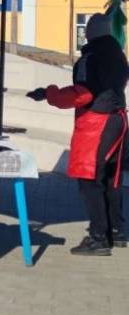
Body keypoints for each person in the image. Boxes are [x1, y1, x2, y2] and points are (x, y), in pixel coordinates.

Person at [27, 13, 129, 255]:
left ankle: (98, 239)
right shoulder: (118, 55)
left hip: (96, 123)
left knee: (89, 179)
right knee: (112, 178)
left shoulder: (90, 58)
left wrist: (50, 94)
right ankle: (117, 230)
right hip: (119, 119)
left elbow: (82, 95)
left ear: (90, 32)